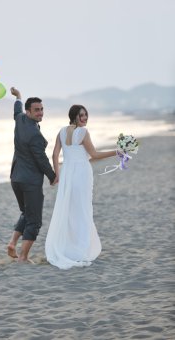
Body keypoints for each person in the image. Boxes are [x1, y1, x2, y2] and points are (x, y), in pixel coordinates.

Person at [45, 104, 118, 270]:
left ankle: (68, 246)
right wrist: (117, 152)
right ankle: (81, 248)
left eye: (86, 115)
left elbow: (55, 154)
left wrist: (57, 174)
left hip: (67, 173)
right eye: (81, 115)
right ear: (74, 116)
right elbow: (95, 155)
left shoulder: (61, 132)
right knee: (83, 208)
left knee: (70, 209)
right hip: (82, 173)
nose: (84, 118)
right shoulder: (83, 132)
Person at [7, 87, 57, 263]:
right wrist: (52, 176)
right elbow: (41, 159)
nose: (40, 113)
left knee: (26, 212)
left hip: (16, 179)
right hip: (30, 182)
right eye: (37, 110)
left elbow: (16, 110)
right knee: (34, 221)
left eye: (42, 109)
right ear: (29, 112)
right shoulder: (35, 134)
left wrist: (18, 96)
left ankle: (13, 243)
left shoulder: (20, 119)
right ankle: (23, 257)